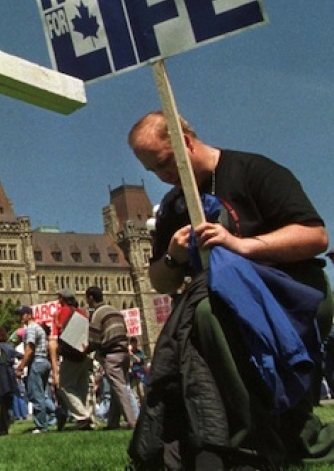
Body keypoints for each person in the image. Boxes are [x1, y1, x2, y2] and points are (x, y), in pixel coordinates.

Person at [128, 110, 334, 468]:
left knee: (209, 316)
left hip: (292, 292)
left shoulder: (253, 171)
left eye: (165, 164)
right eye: (153, 172)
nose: (163, 177)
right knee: (196, 322)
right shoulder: (175, 207)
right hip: (219, 300)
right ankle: (218, 441)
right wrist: (175, 257)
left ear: (184, 142)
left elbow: (315, 236)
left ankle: (252, 443)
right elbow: (161, 281)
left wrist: (241, 245)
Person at [84, 286, 137, 430]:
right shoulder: (115, 311)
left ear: (90, 298)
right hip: (124, 353)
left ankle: (133, 422)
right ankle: (113, 423)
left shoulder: (97, 314)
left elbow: (94, 340)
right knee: (116, 389)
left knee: (120, 388)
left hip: (111, 354)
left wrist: (85, 350)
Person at [53, 289, 94, 431]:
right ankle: (88, 417)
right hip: (84, 353)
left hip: (72, 354)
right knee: (83, 387)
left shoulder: (64, 311)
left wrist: (57, 322)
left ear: (63, 299)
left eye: (59, 299)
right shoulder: (81, 311)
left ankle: (83, 417)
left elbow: (63, 331)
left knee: (64, 386)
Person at [14, 305, 54, 434]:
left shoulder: (30, 328)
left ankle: (41, 426)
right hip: (44, 361)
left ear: (29, 315)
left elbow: (30, 349)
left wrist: (21, 365)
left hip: (36, 362)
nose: (20, 317)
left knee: (36, 396)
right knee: (43, 395)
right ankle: (58, 412)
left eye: (22, 314)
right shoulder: (39, 328)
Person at [127, 337, 147, 406]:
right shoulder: (128, 354)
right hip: (132, 375)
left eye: (134, 343)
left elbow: (139, 360)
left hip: (140, 374)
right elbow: (129, 364)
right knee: (134, 393)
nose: (133, 345)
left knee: (142, 392)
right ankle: (138, 408)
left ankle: (144, 406)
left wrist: (132, 355)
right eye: (131, 343)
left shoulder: (139, 352)